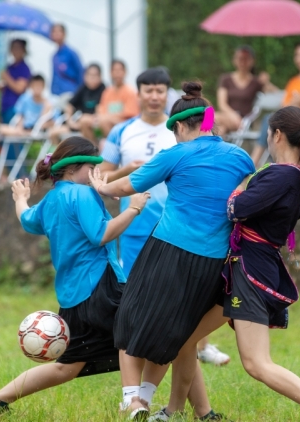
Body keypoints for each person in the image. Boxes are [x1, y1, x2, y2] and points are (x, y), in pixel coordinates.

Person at [90, 81, 254, 420]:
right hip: (215, 261)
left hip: (170, 251)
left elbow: (125, 186)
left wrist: (100, 185)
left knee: (131, 318)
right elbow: (242, 201)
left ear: (179, 126)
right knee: (182, 334)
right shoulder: (241, 157)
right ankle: (193, 410)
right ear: (211, 122)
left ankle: (135, 399)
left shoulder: (174, 154)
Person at [0, 136, 150, 415]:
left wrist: (20, 198)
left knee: (66, 367)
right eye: (91, 168)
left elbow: (26, 220)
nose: (94, 174)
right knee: (147, 335)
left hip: (72, 296)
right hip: (99, 285)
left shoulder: (51, 198)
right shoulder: (81, 194)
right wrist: (133, 208)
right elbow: (101, 235)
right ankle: (135, 402)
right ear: (72, 168)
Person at [100, 68, 230, 388]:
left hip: (184, 233)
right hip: (137, 228)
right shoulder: (122, 131)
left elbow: (215, 143)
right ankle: (139, 390)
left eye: (161, 90)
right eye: (149, 90)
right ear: (139, 93)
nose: (155, 96)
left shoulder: (185, 126)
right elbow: (103, 174)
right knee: (140, 305)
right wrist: (128, 171)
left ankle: (199, 347)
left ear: (168, 94)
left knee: (187, 304)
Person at [223, 106, 300, 422]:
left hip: (249, 268)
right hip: (251, 264)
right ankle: (180, 410)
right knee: (189, 338)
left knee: (256, 363)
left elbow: (236, 209)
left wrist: (231, 187)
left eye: (267, 133)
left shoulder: (280, 176)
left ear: (276, 134)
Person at [251, 41, 300, 166]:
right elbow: (285, 105)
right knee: (270, 120)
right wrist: (297, 100)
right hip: (290, 119)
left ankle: (255, 160)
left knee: (270, 119)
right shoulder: (293, 81)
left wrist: (296, 101)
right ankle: (266, 163)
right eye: (298, 55)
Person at [214, 46, 274, 135]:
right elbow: (222, 104)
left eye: (246, 59)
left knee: (209, 117)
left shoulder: (256, 82)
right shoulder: (225, 79)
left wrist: (266, 82)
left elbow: (275, 94)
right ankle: (214, 148)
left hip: (244, 120)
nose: (242, 62)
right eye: (240, 58)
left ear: (252, 61)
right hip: (227, 116)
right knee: (220, 130)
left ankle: (197, 144)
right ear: (234, 60)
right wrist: (233, 115)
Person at [79, 60, 139, 142]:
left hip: (124, 123)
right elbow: (101, 110)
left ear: (125, 72)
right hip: (104, 120)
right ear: (110, 73)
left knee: (103, 121)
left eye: (120, 70)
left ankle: (113, 147)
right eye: (114, 70)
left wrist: (107, 117)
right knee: (84, 120)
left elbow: (130, 114)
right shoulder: (107, 91)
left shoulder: (130, 91)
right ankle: (93, 148)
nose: (117, 73)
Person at [49, 64, 107, 144]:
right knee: (53, 133)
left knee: (84, 122)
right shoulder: (83, 88)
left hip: (94, 126)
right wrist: (70, 121)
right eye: (90, 75)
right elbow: (69, 106)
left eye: (95, 75)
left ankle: (93, 152)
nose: (92, 78)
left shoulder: (104, 90)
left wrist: (87, 120)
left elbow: (101, 112)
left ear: (100, 77)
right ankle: (59, 155)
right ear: (85, 76)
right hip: (79, 123)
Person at [0, 39, 32, 124]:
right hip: (4, 106)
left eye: (18, 48)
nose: (15, 50)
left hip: (15, 106)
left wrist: (7, 77)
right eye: (13, 48)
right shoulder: (9, 67)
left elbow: (19, 89)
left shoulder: (24, 68)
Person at [50, 23, 84, 96]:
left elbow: (80, 72)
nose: (56, 34)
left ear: (64, 34)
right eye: (54, 32)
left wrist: (79, 93)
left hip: (70, 92)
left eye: (58, 31)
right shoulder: (54, 56)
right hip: (56, 94)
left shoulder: (71, 53)